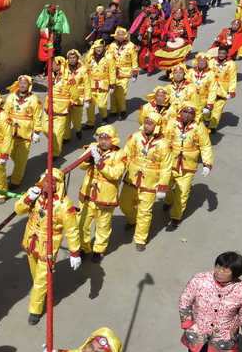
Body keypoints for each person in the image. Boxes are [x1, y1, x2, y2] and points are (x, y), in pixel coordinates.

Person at [15, 169, 82, 325]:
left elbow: (72, 230)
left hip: (49, 245)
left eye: (52, 182)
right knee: (35, 274)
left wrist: (74, 252)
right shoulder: (35, 194)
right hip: (31, 240)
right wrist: (28, 198)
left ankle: (35, 310)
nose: (47, 184)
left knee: (41, 278)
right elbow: (18, 210)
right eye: (45, 180)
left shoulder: (65, 205)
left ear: (58, 185)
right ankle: (43, 292)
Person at [121, 112, 173, 252]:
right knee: (124, 205)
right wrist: (118, 169)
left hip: (150, 184)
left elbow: (166, 167)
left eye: (150, 124)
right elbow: (126, 155)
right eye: (145, 123)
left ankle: (140, 238)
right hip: (131, 180)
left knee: (144, 212)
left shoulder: (164, 144)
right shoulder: (136, 137)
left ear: (156, 127)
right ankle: (133, 220)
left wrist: (162, 187)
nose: (146, 125)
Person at [77, 125, 127, 263]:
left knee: (103, 226)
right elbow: (81, 166)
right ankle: (83, 248)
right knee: (81, 223)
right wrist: (89, 156)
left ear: (114, 140)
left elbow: (115, 174)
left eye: (107, 139)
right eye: (101, 138)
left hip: (106, 196)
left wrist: (99, 162)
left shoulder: (120, 155)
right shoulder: (93, 147)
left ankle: (99, 250)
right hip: (88, 193)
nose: (103, 142)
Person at [163, 105, 214, 230]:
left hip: (188, 166)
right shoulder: (171, 123)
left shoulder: (199, 127)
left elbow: (206, 146)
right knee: (164, 187)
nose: (186, 115)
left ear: (194, 115)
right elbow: (163, 141)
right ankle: (169, 199)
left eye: (190, 113)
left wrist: (207, 163)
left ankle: (176, 216)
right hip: (169, 164)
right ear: (180, 112)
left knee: (182, 193)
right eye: (184, 112)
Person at [4, 75, 43, 189]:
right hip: (10, 133)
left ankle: (16, 181)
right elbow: (5, 114)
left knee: (21, 160)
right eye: (20, 83)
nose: (22, 85)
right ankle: (20, 169)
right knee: (11, 154)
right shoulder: (11, 97)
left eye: (25, 84)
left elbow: (37, 117)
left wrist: (37, 131)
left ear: (29, 86)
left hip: (25, 134)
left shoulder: (34, 100)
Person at [107, 27, 139, 120]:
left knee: (121, 93)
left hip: (125, 72)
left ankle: (123, 111)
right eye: (118, 34)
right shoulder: (112, 45)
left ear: (125, 35)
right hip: (113, 72)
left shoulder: (131, 46)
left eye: (122, 35)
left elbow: (134, 59)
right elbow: (108, 59)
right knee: (112, 93)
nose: (120, 36)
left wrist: (135, 72)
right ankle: (114, 111)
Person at [84, 40, 117, 127]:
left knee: (102, 105)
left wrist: (112, 84)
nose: (99, 49)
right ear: (94, 48)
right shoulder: (89, 57)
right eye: (97, 47)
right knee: (90, 105)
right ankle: (90, 123)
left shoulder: (109, 57)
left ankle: (104, 117)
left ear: (104, 47)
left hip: (103, 84)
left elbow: (112, 71)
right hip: (91, 84)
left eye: (101, 47)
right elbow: (85, 71)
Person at [209, 46, 237, 131]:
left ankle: (212, 127)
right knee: (207, 107)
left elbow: (233, 78)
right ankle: (205, 121)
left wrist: (231, 91)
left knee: (217, 110)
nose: (221, 55)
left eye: (223, 53)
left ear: (227, 54)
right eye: (220, 53)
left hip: (222, 91)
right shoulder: (212, 61)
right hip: (210, 89)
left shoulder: (231, 64)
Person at [64, 49, 90, 139]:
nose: (72, 60)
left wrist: (88, 99)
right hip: (66, 97)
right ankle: (66, 137)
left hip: (79, 98)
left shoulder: (83, 69)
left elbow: (87, 85)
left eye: (74, 58)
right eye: (70, 58)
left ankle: (78, 130)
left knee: (76, 119)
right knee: (66, 119)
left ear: (77, 58)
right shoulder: (64, 68)